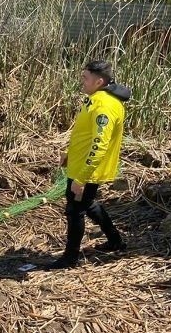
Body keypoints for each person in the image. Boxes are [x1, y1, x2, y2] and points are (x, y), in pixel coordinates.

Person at [49, 60, 130, 269]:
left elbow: (99, 144)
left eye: (85, 78)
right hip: (79, 165)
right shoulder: (95, 99)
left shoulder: (104, 106)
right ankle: (115, 240)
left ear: (99, 81)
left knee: (75, 210)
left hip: (87, 171)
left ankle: (70, 258)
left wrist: (82, 178)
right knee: (88, 205)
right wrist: (69, 154)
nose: (81, 81)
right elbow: (85, 134)